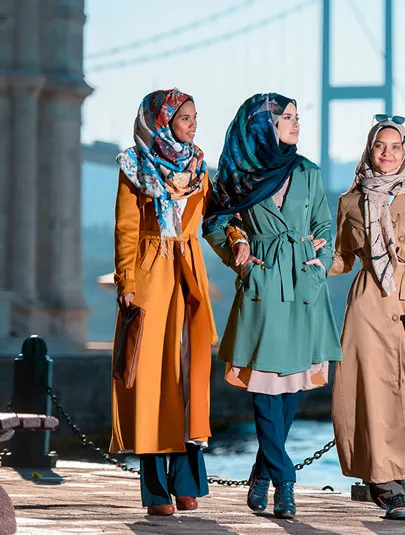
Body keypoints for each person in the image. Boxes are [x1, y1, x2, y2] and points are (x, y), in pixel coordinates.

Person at [203, 93, 341, 519]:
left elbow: (324, 224)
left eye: (298, 118)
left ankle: (262, 474)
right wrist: (239, 249)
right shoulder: (239, 174)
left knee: (290, 392)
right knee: (265, 390)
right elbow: (215, 221)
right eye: (286, 118)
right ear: (263, 126)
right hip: (263, 285)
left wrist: (319, 264)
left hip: (303, 285)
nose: (296, 124)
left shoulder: (307, 171)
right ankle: (285, 482)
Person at [111, 89, 243, 516]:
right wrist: (127, 281)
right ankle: (154, 492)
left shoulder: (199, 166)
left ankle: (187, 482)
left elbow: (214, 218)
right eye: (184, 117)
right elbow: (126, 229)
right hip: (150, 276)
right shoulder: (133, 165)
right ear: (162, 121)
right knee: (152, 382)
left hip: (189, 276)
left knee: (188, 378)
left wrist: (238, 241)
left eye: (194, 117)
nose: (192, 124)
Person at [330, 115, 405, 520]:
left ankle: (392, 472)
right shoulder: (349, 201)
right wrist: (309, 260)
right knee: (376, 394)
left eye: (395, 146)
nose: (387, 154)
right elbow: (343, 258)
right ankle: (388, 486)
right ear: (369, 149)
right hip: (368, 303)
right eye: (380, 146)